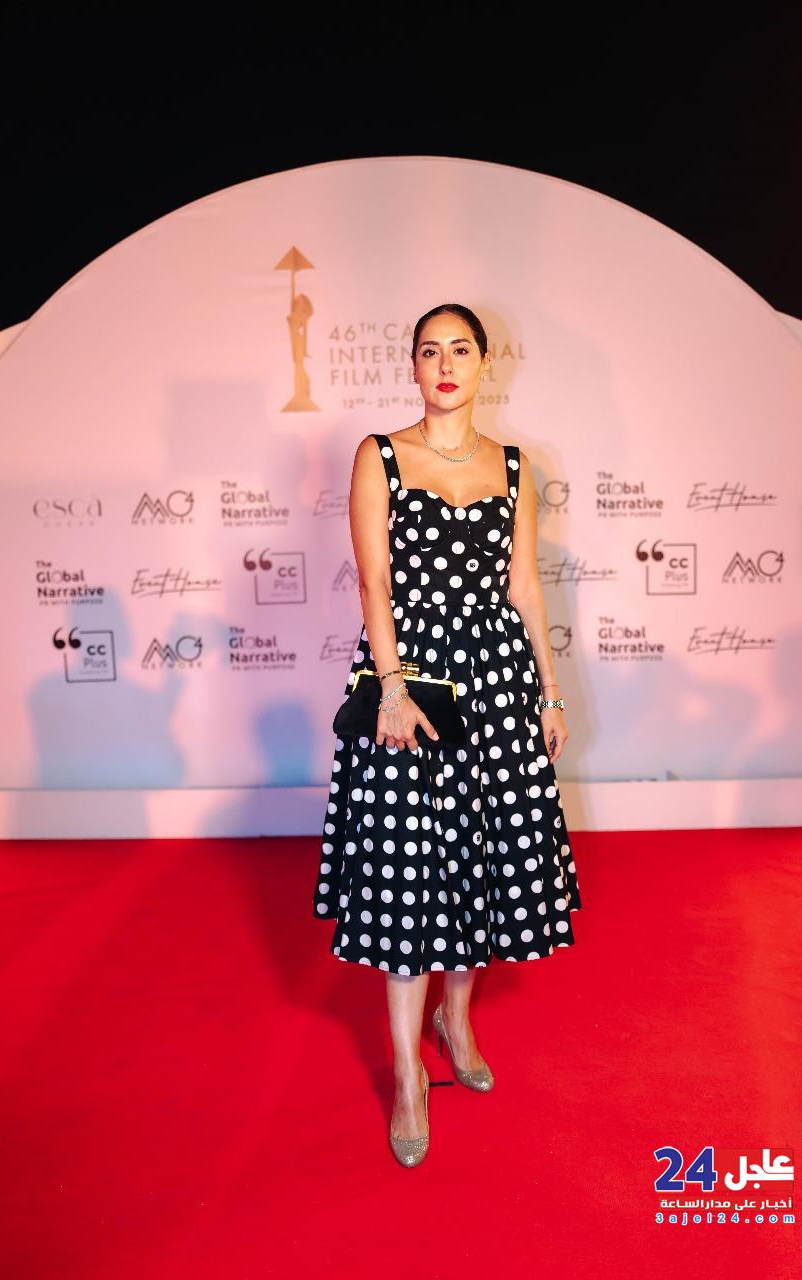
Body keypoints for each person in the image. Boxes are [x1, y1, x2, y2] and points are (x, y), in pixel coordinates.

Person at [313, 303, 582, 1166]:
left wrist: (549, 693)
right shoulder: (381, 455)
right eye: (429, 351)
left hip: (498, 685)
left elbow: (524, 586)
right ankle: (406, 1075)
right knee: (409, 873)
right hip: (414, 688)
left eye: (459, 350)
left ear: (484, 363)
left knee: (481, 859)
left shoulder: (515, 466)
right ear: (412, 366)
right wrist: (392, 690)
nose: (444, 364)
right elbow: (373, 583)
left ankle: (454, 1021)